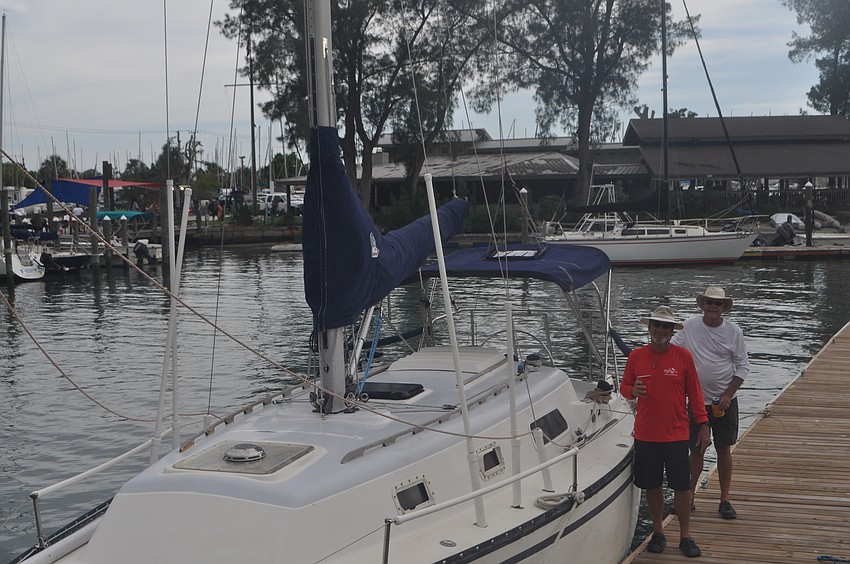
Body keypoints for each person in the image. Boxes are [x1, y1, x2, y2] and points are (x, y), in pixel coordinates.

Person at [621, 305, 710, 558]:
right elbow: (625, 387)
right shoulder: (636, 356)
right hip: (646, 434)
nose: (660, 330)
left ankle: (685, 535)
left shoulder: (683, 357)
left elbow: (695, 394)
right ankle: (658, 531)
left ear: (672, 331)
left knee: (682, 486)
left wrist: (703, 425)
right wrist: (632, 391)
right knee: (652, 484)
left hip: (677, 434)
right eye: (656, 325)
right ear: (649, 328)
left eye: (665, 326)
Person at [672, 285, 748, 520]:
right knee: (696, 450)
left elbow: (742, 366)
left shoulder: (734, 331)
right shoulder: (689, 326)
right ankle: (689, 497)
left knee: (724, 449)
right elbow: (671, 349)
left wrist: (728, 394)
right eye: (709, 302)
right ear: (702, 304)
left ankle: (725, 499)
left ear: (724, 308)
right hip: (696, 402)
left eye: (718, 303)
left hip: (725, 402)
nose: (713, 307)